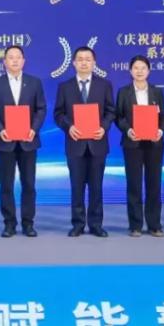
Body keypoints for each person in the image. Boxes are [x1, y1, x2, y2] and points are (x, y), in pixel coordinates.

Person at [0, 45, 47, 238]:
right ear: (4, 62)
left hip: (28, 141)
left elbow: (41, 109)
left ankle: (28, 223)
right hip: (6, 141)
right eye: (10, 57)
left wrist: (33, 129)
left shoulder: (34, 83)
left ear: (24, 61)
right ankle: (9, 223)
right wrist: (0, 130)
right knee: (6, 185)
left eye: (18, 57)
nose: (14, 60)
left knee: (29, 184)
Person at [53, 46, 115, 238]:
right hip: (75, 144)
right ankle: (78, 224)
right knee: (77, 187)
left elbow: (111, 111)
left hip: (97, 143)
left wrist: (103, 127)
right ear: (73, 63)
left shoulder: (104, 85)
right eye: (80, 59)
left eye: (88, 59)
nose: (84, 62)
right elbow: (58, 113)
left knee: (96, 187)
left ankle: (96, 225)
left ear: (94, 63)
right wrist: (69, 127)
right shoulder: (65, 86)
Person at [114, 55, 164, 237]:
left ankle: (154, 225)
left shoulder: (157, 92)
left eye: (143, 68)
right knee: (134, 185)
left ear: (149, 71)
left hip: (154, 144)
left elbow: (163, 117)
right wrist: (128, 130)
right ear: (130, 71)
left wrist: (160, 131)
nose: (139, 71)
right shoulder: (123, 92)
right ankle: (135, 225)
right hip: (132, 143)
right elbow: (119, 117)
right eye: (136, 68)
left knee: (154, 184)